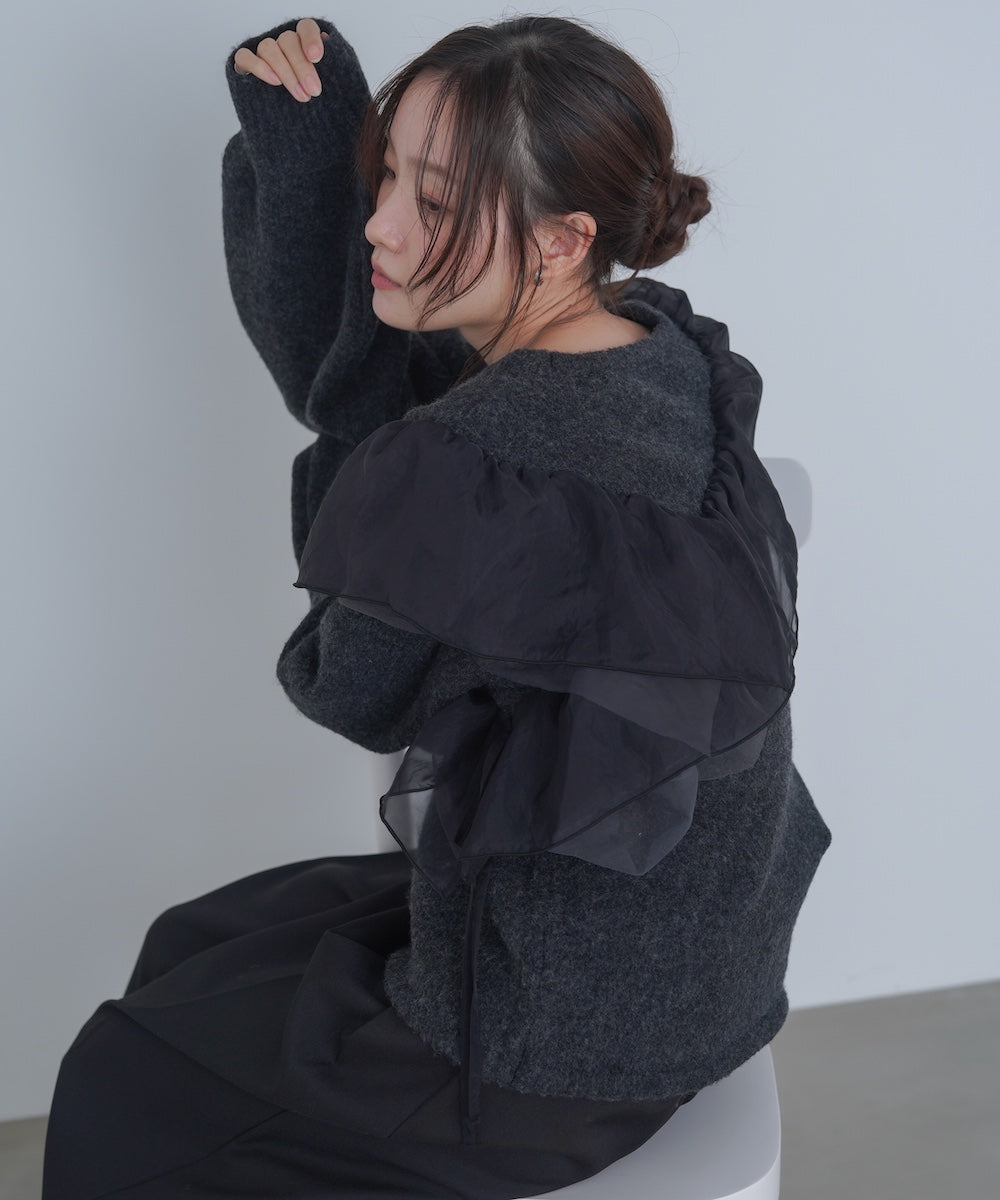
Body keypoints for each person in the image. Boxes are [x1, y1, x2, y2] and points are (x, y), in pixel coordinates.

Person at [41, 14, 832, 1199]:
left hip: (540, 1048)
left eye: (434, 200)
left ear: (561, 238)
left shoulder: (475, 452)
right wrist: (313, 148)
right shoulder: (662, 348)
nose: (379, 224)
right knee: (196, 941)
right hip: (693, 964)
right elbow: (387, 395)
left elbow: (347, 687)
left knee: (123, 1074)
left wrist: (381, 468)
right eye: (384, 175)